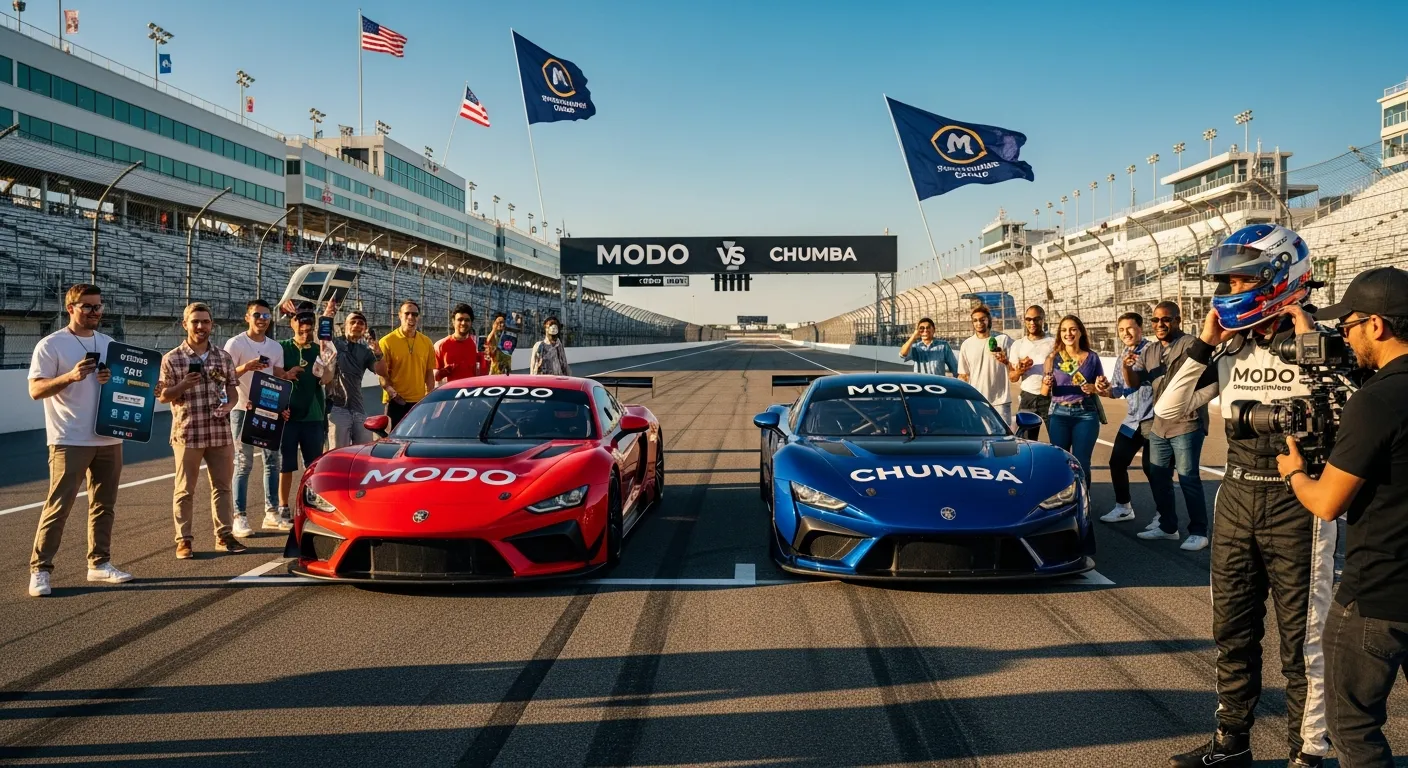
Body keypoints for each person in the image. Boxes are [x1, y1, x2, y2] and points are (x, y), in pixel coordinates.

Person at [1156, 224, 1336, 768]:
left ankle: (1307, 755)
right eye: (1226, 282)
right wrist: (1204, 343)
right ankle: (1231, 742)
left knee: (1303, 643)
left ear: (1278, 277)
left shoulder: (1324, 339)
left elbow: (1348, 412)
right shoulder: (1229, 346)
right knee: (1231, 631)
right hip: (1235, 496)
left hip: (1299, 501)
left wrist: (1311, 349)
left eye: (1238, 281)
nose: (1227, 293)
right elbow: (1167, 413)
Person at [1275, 267, 1408, 768]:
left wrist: (1293, 472)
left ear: (1377, 326)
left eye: (1348, 325)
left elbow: (1328, 501)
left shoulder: (1376, 402)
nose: (1344, 337)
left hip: (1378, 596)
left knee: (1353, 731)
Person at [26, 284, 133, 596]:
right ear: (70, 308)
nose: (94, 312)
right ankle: (41, 569)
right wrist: (70, 376)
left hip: (108, 435)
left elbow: (121, 385)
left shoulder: (108, 342)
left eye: (98, 307)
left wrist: (112, 379)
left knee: (104, 504)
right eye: (87, 306)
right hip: (69, 436)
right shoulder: (51, 344)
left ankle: (99, 564)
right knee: (59, 505)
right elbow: (36, 390)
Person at [157, 302, 246, 559]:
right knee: (185, 489)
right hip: (188, 432)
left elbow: (231, 389)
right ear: (185, 324)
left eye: (205, 322)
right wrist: (183, 384)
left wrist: (229, 405)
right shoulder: (172, 358)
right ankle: (183, 539)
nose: (200, 326)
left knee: (223, 486)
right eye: (195, 321)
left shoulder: (223, 357)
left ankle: (224, 535)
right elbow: (163, 396)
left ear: (212, 325)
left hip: (219, 431)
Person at [1133, 301, 1215, 549]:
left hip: (1187, 424)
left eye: (1166, 319)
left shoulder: (1191, 345)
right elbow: (1135, 381)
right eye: (1155, 320)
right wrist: (1128, 368)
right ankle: (1168, 526)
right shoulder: (1149, 351)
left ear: (1178, 320)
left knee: (1188, 477)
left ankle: (1199, 531)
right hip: (1159, 425)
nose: (1160, 324)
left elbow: (1212, 381)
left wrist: (1189, 407)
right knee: (1158, 477)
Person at [223, 299, 289, 536]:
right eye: (257, 315)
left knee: (273, 461)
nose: (262, 320)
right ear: (247, 317)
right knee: (244, 463)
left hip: (269, 410)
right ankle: (239, 516)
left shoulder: (275, 347)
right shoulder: (236, 343)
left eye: (266, 316)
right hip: (242, 409)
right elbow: (224, 374)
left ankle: (271, 512)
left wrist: (282, 404)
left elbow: (277, 377)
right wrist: (246, 367)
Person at [277, 306, 336, 523]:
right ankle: (283, 506)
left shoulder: (319, 349)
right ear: (292, 324)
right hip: (288, 416)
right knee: (286, 464)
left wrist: (329, 362)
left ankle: (308, 505)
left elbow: (326, 379)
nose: (305, 333)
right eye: (301, 328)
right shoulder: (281, 348)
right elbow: (272, 375)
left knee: (313, 465)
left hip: (313, 415)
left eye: (309, 330)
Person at [1096, 312, 1154, 522]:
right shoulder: (1122, 356)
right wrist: (1102, 389)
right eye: (1121, 329)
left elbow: (1136, 383)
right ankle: (1124, 507)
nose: (1125, 333)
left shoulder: (1152, 351)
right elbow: (1118, 391)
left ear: (1141, 327)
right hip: (1132, 420)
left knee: (1152, 469)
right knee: (1117, 462)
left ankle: (1162, 515)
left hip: (1153, 419)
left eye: (1130, 328)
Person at [1039, 315, 1104, 486]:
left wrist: (1093, 387)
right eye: (1064, 330)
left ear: (1081, 332)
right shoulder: (1052, 358)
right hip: (1059, 413)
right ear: (1060, 334)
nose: (1068, 333)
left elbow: (1102, 387)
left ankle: (1084, 501)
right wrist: (1047, 383)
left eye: (1073, 329)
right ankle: (1062, 501)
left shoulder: (1092, 357)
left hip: (1086, 413)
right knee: (1060, 462)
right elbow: (1044, 392)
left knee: (1081, 462)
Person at [327, 310, 387, 448]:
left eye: (361, 323)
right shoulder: (334, 344)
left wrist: (378, 353)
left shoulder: (365, 351)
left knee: (363, 452)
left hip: (359, 409)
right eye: (352, 322)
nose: (356, 325)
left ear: (365, 328)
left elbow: (382, 371)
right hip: (337, 408)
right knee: (339, 454)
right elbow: (324, 334)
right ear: (345, 326)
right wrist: (329, 312)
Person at [378, 300, 435, 427]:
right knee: (393, 442)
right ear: (399, 315)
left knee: (418, 441)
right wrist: (394, 395)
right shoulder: (387, 342)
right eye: (407, 313)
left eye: (414, 314)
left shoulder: (426, 342)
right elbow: (382, 375)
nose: (411, 317)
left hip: (419, 402)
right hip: (395, 402)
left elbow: (429, 373)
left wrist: (429, 398)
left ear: (418, 317)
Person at [957, 305, 1014, 425]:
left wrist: (1006, 361)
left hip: (1000, 402)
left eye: (982, 319)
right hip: (977, 400)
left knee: (1003, 442)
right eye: (975, 320)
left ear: (988, 320)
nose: (979, 323)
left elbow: (1015, 367)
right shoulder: (966, 345)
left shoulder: (1003, 340)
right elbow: (963, 375)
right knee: (978, 440)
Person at [1008, 305, 1055, 440]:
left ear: (1043, 320)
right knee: (1027, 443)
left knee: (1058, 441)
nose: (1032, 323)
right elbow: (1012, 377)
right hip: (1028, 398)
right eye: (1028, 319)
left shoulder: (1053, 343)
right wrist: (1020, 370)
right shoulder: (1018, 344)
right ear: (1024, 320)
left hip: (1050, 397)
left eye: (1036, 319)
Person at [434, 303, 485, 384]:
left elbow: (484, 373)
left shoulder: (477, 345)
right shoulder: (440, 345)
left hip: (471, 394)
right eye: (460, 319)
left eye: (467, 320)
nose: (463, 323)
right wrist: (442, 373)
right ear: (453, 321)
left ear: (471, 322)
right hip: (449, 394)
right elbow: (434, 376)